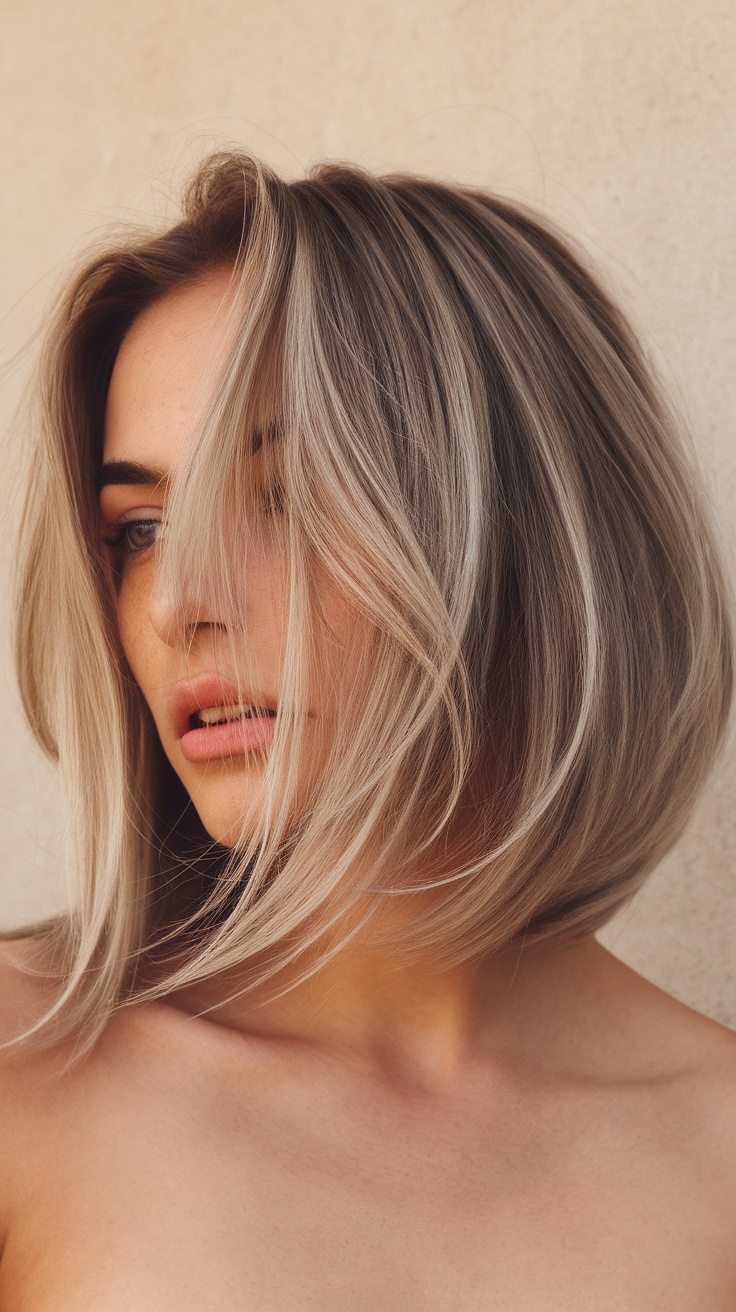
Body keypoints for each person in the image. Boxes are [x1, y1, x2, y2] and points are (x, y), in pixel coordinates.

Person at [0, 150, 734, 1309]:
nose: (180, 601)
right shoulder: (21, 1067)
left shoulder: (716, 1162)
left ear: (522, 536)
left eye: (285, 496)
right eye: (139, 527)